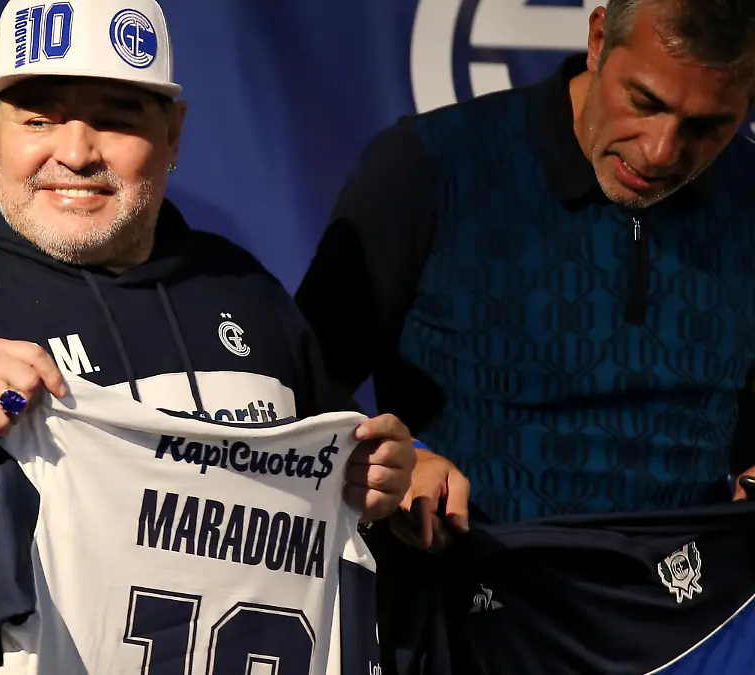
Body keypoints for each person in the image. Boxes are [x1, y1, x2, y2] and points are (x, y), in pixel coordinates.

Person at [0, 0, 416, 672]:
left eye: (117, 121)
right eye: (38, 120)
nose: (77, 153)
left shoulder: (248, 296)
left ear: (174, 134)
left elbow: (342, 469)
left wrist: (384, 478)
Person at [296, 1, 755, 673]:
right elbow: (296, 384)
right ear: (600, 40)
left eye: (707, 126)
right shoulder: (432, 165)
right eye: (645, 101)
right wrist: (400, 462)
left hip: (693, 634)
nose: (662, 151)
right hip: (467, 622)